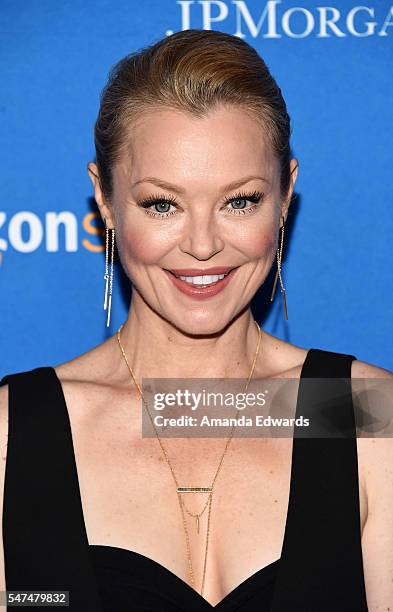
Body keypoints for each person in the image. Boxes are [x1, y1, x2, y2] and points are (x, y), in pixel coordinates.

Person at [0, 28, 392, 612]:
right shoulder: (13, 434)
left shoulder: (364, 413)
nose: (203, 245)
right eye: (163, 203)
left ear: (286, 194)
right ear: (104, 200)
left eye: (241, 201)